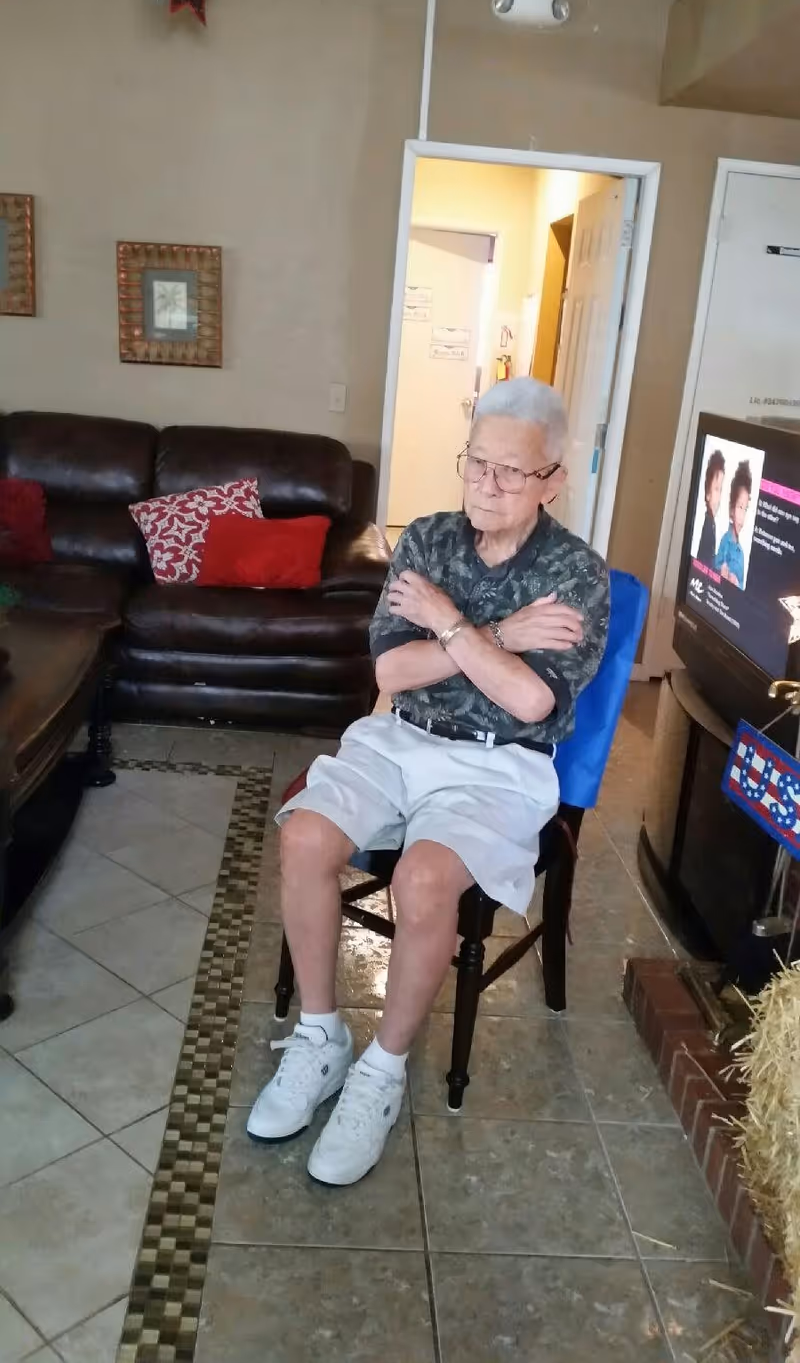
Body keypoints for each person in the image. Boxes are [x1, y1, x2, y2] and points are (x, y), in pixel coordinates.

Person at [247, 377, 610, 1186]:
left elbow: (529, 698)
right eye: (476, 462)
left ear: (554, 480)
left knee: (423, 878)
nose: (487, 483)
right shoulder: (428, 540)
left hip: (502, 763)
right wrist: (500, 635)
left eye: (512, 472)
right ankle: (319, 1037)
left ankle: (382, 1068)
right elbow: (389, 668)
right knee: (305, 837)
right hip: (401, 736)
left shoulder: (579, 575)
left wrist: (447, 623)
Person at [715, 459, 752, 588]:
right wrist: (721, 572)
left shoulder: (741, 553)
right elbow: (714, 567)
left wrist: (737, 584)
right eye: (740, 507)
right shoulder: (725, 541)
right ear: (731, 509)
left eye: (745, 509)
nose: (742, 516)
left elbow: (742, 585)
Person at [696, 448, 725, 569]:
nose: (719, 496)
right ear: (707, 493)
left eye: (721, 490)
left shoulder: (712, 523)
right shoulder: (707, 526)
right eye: (717, 489)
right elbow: (705, 564)